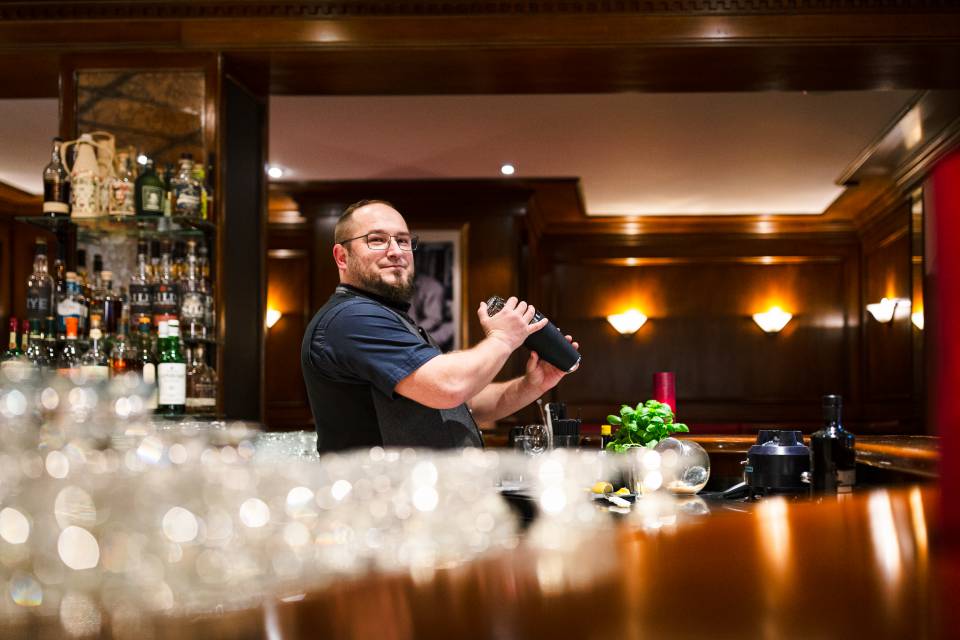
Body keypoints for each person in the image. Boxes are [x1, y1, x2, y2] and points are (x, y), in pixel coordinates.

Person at [301, 199, 579, 453]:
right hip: (379, 490)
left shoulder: (391, 318)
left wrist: (531, 385)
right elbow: (450, 387)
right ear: (342, 256)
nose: (396, 251)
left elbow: (465, 404)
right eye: (376, 240)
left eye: (403, 240)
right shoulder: (351, 318)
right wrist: (503, 338)